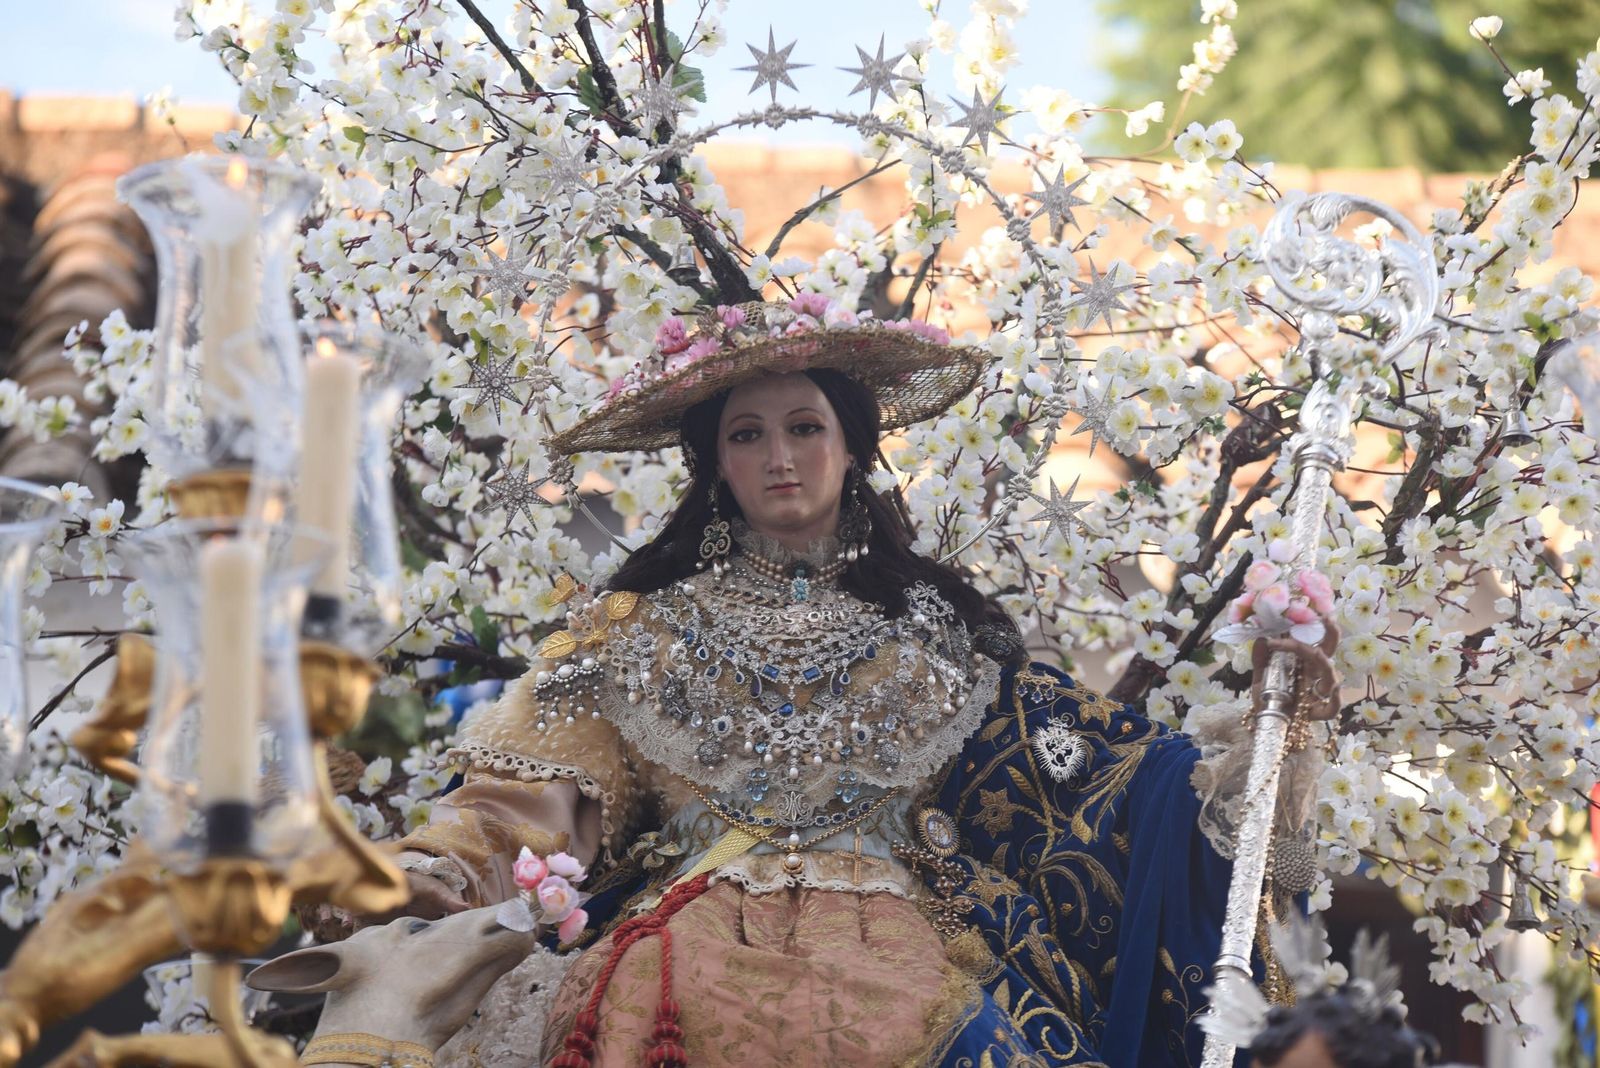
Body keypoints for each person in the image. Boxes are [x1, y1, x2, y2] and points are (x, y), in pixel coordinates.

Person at [391, 298, 1341, 1067]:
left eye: (805, 427)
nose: (779, 457)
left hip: (908, 953)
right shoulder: (636, 634)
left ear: (850, 445)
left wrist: (1273, 722)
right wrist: (429, 871)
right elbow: (521, 797)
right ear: (715, 465)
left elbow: (1093, 776)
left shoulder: (937, 634)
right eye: (748, 434)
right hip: (678, 953)